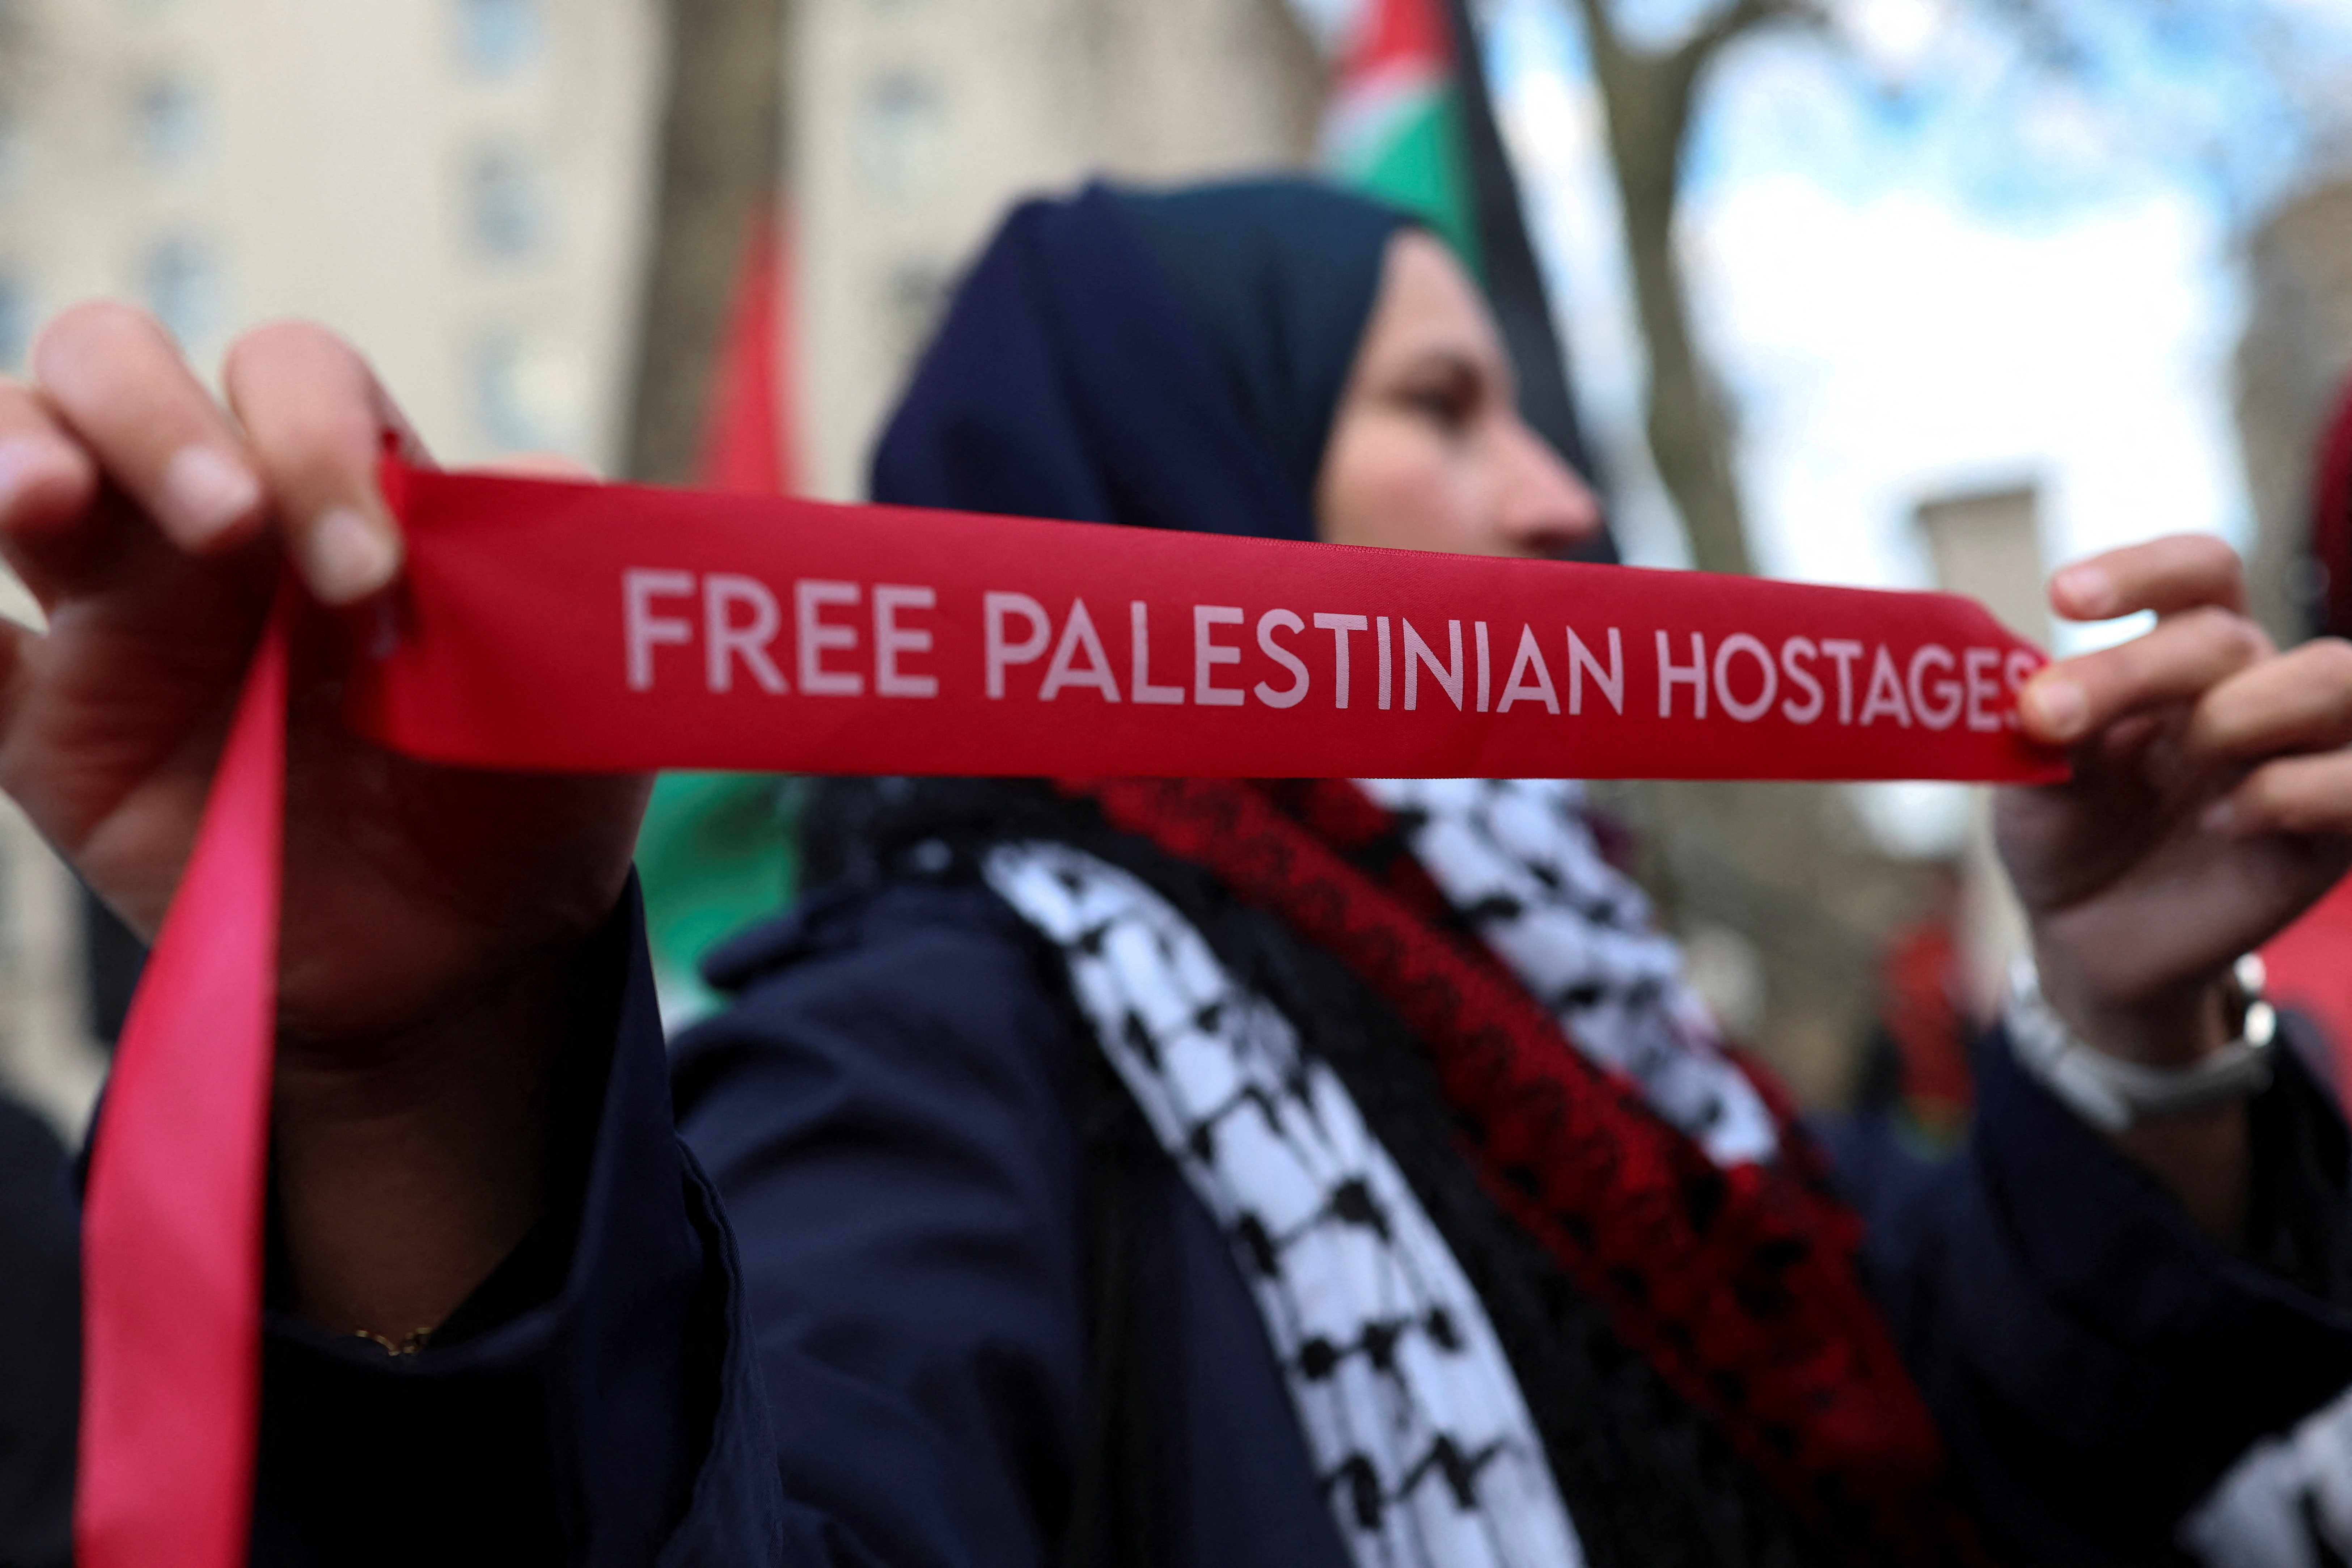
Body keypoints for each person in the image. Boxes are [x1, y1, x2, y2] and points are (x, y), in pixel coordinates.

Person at [8, 177, 2352, 1566]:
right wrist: (416, 1087)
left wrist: (2134, 1024)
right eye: (1440, 410)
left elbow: (1943, 1434)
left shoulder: (1587, 1028)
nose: (1559, 503)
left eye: (1529, 416)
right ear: (1176, 492)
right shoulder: (944, 1032)